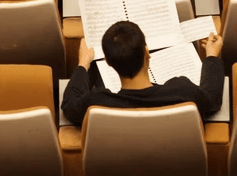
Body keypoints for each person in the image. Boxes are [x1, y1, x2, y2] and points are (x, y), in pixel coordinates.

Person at [61, 20, 224, 126]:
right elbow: (212, 99)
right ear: (147, 52)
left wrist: (83, 64)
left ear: (109, 63)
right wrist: (211, 55)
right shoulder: (183, 91)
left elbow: (69, 105)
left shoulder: (97, 103)